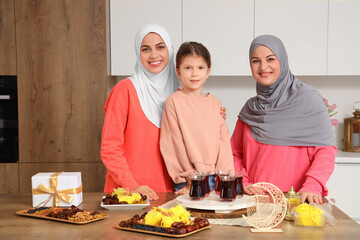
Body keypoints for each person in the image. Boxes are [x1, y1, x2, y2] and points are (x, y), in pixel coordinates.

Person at [231, 35, 337, 204]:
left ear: (282, 60)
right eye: (255, 61)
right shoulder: (251, 109)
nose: (263, 67)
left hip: (295, 202)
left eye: (270, 59)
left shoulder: (307, 99)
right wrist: (242, 181)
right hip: (253, 202)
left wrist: (313, 185)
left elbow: (325, 150)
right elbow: (234, 153)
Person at [100, 23, 178, 200]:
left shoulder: (179, 95)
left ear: (170, 50)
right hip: (128, 194)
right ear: (138, 53)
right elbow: (109, 148)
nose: (153, 55)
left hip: (168, 193)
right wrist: (132, 185)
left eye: (160, 47)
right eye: (145, 49)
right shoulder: (124, 90)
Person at [160, 42, 235, 195]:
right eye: (188, 68)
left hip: (214, 179)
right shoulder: (173, 102)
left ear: (208, 72)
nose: (194, 74)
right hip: (188, 181)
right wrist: (189, 175)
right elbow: (173, 143)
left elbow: (223, 142)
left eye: (200, 68)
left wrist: (226, 177)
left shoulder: (215, 104)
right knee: (187, 218)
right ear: (178, 72)